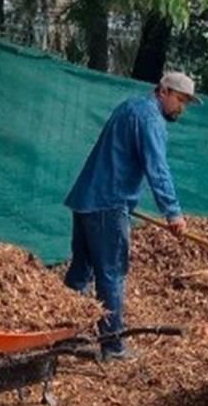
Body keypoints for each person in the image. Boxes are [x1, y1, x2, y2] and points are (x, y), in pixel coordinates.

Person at [64, 72, 197, 361]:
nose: (181, 107)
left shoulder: (130, 107)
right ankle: (112, 345)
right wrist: (173, 213)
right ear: (163, 91)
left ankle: (64, 338)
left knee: (80, 272)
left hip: (87, 199)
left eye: (185, 102)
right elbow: (157, 169)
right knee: (111, 274)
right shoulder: (150, 119)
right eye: (180, 99)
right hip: (108, 205)